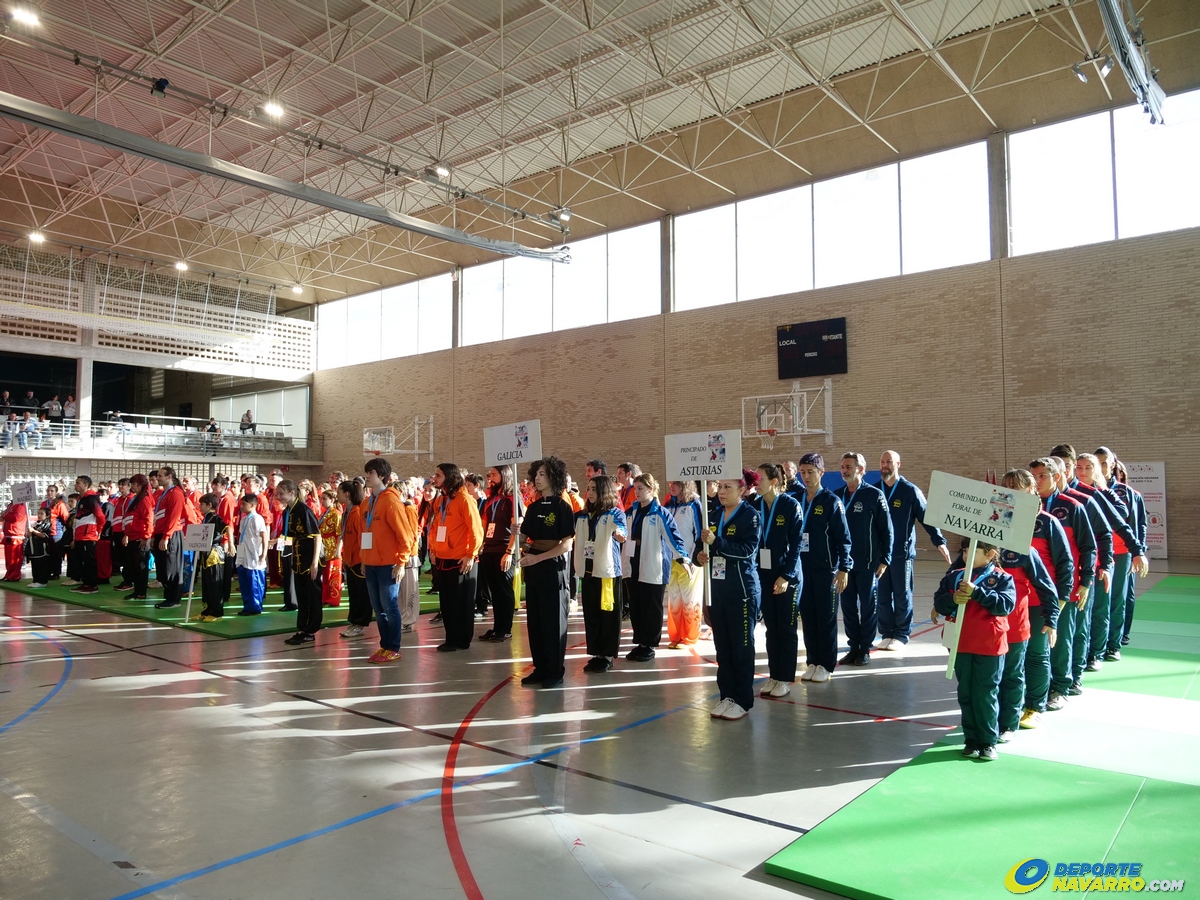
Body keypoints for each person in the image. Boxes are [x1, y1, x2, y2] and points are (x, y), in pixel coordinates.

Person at [933, 540, 1017, 761]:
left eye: (973, 550)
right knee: (966, 693)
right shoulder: (955, 576)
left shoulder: (1002, 578)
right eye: (965, 549)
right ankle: (971, 740)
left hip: (990, 645)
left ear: (989, 554)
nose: (966, 553)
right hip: (961, 644)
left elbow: (1005, 605)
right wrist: (953, 599)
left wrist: (977, 592)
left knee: (986, 693)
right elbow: (940, 603)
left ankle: (988, 741)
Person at [697, 475, 762, 720]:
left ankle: (743, 700)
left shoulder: (751, 516)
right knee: (722, 648)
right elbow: (700, 546)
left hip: (741, 591)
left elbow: (747, 551)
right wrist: (699, 556)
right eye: (720, 487)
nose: (721, 491)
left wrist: (718, 542)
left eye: (728, 487)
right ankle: (727, 696)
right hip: (718, 590)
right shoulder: (712, 516)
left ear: (742, 490)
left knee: (741, 648)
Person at [1075, 451, 1148, 664]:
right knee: (1092, 603)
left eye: (1091, 467)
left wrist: (1138, 550)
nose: (1084, 471)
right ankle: (1091, 648)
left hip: (1118, 552)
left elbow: (1129, 522)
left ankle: (1112, 645)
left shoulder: (1117, 493)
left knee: (1115, 599)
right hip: (1089, 553)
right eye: (1080, 467)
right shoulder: (1074, 492)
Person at [875, 450, 950, 651]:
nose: (885, 465)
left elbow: (927, 517)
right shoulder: (874, 491)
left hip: (901, 553)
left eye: (889, 461)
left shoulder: (909, 491)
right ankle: (886, 632)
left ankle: (901, 634)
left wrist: (939, 541)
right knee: (882, 596)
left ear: (898, 464)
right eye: (882, 462)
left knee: (902, 594)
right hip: (880, 555)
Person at [789, 453, 853, 683]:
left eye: (810, 472)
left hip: (826, 569)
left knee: (825, 618)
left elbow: (843, 538)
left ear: (821, 473)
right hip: (801, 569)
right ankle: (813, 661)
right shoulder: (796, 498)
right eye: (802, 472)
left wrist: (844, 568)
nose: (806, 477)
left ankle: (826, 664)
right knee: (807, 617)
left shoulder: (831, 501)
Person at [518, 457, 576, 688]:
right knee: (535, 622)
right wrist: (517, 538)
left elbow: (566, 544)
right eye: (536, 474)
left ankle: (555, 670)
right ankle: (540, 667)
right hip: (534, 571)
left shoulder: (563, 507)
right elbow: (524, 538)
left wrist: (538, 557)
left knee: (553, 623)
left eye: (542, 474)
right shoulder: (533, 507)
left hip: (553, 570)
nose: (537, 478)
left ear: (553, 476)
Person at [622, 473, 688, 662]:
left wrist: (684, 559)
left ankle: (649, 645)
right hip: (633, 565)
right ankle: (640, 642)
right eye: (635, 489)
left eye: (641, 489)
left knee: (651, 607)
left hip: (653, 566)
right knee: (636, 606)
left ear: (651, 489)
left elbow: (674, 537)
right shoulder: (631, 511)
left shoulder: (660, 513)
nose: (637, 493)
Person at [835, 452, 893, 667]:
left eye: (848, 466)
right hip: (844, 565)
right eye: (842, 466)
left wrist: (885, 558)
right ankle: (853, 647)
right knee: (848, 606)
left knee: (868, 607)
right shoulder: (837, 495)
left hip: (868, 563)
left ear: (860, 469)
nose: (844, 470)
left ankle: (865, 648)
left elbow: (886, 530)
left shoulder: (874, 495)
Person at [361, 457, 417, 664]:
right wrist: (364, 560)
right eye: (367, 473)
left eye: (371, 473)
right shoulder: (367, 503)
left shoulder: (391, 501)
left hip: (389, 565)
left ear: (382, 476)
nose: (367, 476)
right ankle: (385, 646)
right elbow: (365, 534)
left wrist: (401, 562)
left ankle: (393, 647)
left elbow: (405, 534)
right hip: (372, 563)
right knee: (378, 608)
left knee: (390, 606)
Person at [755, 463, 804, 699]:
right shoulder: (755, 506)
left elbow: (797, 545)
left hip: (787, 577)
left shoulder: (790, 505)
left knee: (786, 629)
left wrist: (786, 575)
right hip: (764, 575)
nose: (756, 482)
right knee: (771, 628)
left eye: (760, 478)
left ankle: (785, 677)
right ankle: (774, 675)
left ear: (774, 482)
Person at [427, 463, 484, 652]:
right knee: (447, 603)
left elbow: (476, 530)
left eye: (438, 475)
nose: (434, 478)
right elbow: (435, 528)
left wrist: (470, 555)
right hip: (442, 558)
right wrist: (433, 550)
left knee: (462, 602)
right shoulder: (440, 500)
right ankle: (450, 638)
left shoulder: (465, 500)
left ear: (449, 477)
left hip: (461, 559)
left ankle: (462, 639)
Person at [574, 474, 627, 673]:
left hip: (607, 573)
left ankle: (607, 655)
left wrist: (620, 535)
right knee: (592, 614)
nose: (590, 492)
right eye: (588, 488)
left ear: (604, 491)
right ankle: (596, 652)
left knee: (609, 615)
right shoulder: (581, 515)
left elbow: (621, 531)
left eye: (594, 488)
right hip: (588, 573)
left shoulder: (615, 514)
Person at [276, 479, 323, 645]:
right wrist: (275, 543)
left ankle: (311, 630)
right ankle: (303, 627)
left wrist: (315, 563)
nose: (278, 497)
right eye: (277, 494)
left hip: (309, 559)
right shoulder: (287, 512)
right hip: (297, 559)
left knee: (311, 595)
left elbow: (316, 536)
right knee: (302, 596)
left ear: (292, 493)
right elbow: (290, 537)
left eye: (281, 494)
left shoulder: (303, 510)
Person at [663, 479, 704, 648]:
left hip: (689, 560)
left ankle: (689, 637)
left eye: (676, 484)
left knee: (689, 599)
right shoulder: (668, 504)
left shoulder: (694, 504)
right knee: (674, 598)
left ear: (685, 484)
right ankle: (676, 635)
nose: (671, 487)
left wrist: (694, 558)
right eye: (670, 483)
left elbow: (700, 532)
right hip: (671, 559)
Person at [478, 466, 517, 643]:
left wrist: (509, 552)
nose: (490, 478)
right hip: (489, 550)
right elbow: (484, 526)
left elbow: (518, 527)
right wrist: (480, 546)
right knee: (495, 591)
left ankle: (505, 629)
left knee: (504, 590)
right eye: (489, 475)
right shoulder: (490, 499)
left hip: (504, 550)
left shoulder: (512, 499)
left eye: (493, 474)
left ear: (504, 475)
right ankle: (497, 627)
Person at [338, 480, 373, 638]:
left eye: (339, 492)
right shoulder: (346, 511)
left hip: (359, 560)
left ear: (347, 494)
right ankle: (354, 621)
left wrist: (364, 559)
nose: (336, 495)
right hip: (349, 559)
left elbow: (363, 537)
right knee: (353, 593)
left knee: (361, 593)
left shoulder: (358, 512)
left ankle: (360, 623)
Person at [151, 466, 187, 609]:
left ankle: (174, 599)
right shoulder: (163, 494)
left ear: (169, 477)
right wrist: (155, 535)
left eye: (160, 475)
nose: (157, 478)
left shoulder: (176, 493)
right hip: (161, 533)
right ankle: (168, 597)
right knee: (162, 568)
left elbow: (174, 516)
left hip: (171, 534)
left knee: (171, 568)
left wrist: (166, 537)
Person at [69, 475, 106, 594]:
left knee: (89, 561)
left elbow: (100, 516)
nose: (76, 485)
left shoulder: (91, 498)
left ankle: (92, 585)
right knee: (81, 561)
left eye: (78, 483)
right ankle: (85, 583)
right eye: (76, 482)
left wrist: (98, 531)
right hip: (80, 535)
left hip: (88, 535)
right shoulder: (81, 498)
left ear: (85, 485)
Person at [194, 493, 227, 621]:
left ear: (209, 505)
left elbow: (227, 528)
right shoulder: (205, 518)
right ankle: (208, 609)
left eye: (202, 504)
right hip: (205, 554)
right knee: (207, 584)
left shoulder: (215, 517)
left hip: (214, 554)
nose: (199, 506)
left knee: (215, 584)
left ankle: (217, 612)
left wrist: (229, 543)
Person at [235, 493, 269, 615]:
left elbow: (264, 536)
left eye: (244, 504)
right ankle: (247, 605)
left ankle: (255, 607)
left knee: (254, 580)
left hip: (253, 553)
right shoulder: (244, 519)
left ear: (253, 505)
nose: (241, 506)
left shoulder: (257, 518)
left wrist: (264, 553)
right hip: (243, 551)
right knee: (244, 579)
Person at [122, 474, 154, 600]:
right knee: (135, 566)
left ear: (139, 485)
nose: (131, 487)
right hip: (134, 537)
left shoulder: (144, 499)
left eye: (133, 484)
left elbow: (149, 519)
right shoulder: (137, 499)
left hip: (140, 539)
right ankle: (137, 591)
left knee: (140, 567)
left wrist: (146, 537)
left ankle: (140, 592)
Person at [318, 489, 343, 607]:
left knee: (332, 574)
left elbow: (339, 533)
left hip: (332, 547)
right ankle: (324, 597)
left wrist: (338, 548)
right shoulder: (325, 512)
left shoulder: (336, 513)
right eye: (321, 498)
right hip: (324, 546)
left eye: (324, 498)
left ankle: (332, 599)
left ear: (332, 500)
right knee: (325, 574)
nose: (322, 501)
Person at [2, 497, 27, 581]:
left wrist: (4, 515)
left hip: (16, 534)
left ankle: (14, 575)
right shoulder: (11, 505)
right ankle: (9, 574)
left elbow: (16, 518)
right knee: (9, 557)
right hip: (9, 534)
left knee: (14, 557)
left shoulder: (21, 505)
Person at [27, 508, 53, 588]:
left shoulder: (47, 524)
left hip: (42, 547)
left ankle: (42, 581)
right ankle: (36, 580)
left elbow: (43, 535)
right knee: (34, 564)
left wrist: (33, 531)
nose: (39, 515)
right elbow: (30, 534)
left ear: (47, 515)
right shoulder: (36, 523)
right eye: (38, 513)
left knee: (41, 564)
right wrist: (29, 533)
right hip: (34, 547)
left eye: (42, 514)